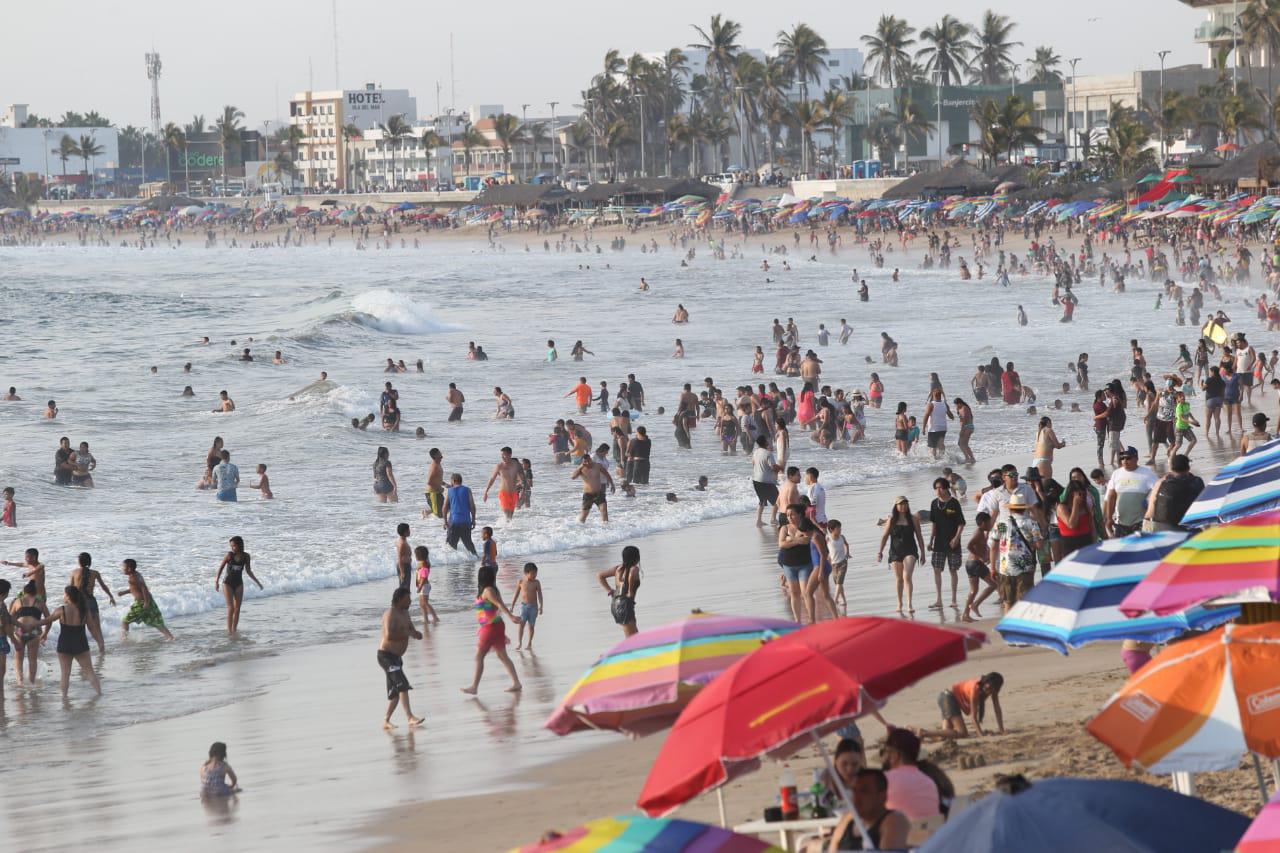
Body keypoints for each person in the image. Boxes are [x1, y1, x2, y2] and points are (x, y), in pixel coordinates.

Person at [461, 565, 523, 695]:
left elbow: (499, 605)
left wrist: (511, 616)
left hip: (491, 627)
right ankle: (516, 683)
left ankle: (474, 687)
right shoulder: (491, 589)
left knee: (479, 656)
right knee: (502, 656)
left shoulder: (488, 591)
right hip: (494, 625)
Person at [37, 586, 101, 697]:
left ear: (68, 596)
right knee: (90, 672)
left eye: (64, 594)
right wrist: (100, 641)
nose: (63, 596)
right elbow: (92, 628)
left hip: (64, 645)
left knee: (65, 675)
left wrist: (30, 623)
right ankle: (99, 694)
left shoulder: (62, 610)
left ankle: (64, 699)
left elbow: (47, 620)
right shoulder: (84, 611)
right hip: (81, 644)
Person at [826, 769, 910, 852]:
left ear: (882, 796)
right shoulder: (848, 819)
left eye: (864, 792)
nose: (857, 797)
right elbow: (832, 849)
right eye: (854, 791)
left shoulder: (894, 820)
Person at [378, 588, 425, 728]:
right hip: (386, 657)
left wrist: (416, 634)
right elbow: (388, 636)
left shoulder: (405, 613)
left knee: (395, 694)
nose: (410, 601)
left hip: (396, 658)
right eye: (407, 599)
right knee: (402, 685)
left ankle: (386, 721)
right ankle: (410, 717)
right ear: (399, 599)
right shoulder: (390, 614)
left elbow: (410, 629)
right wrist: (407, 634)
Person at [878, 496, 926, 616]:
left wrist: (923, 553)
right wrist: (880, 552)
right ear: (896, 506)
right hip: (895, 552)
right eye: (900, 504)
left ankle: (909, 604)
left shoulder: (914, 519)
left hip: (910, 550)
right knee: (899, 579)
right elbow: (884, 536)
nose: (903, 506)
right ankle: (900, 603)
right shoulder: (891, 520)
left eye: (905, 504)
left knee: (907, 576)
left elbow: (919, 537)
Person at [995, 493, 1042, 610]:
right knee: (1025, 601)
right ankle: (1023, 626)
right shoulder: (1032, 523)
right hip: (1025, 567)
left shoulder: (1001, 523)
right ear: (1024, 509)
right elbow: (1039, 545)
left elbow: (994, 543)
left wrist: (992, 566)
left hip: (1005, 568)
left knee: (1008, 602)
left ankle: (1007, 627)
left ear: (1010, 509)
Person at [882, 728, 940, 820]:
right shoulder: (929, 782)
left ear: (895, 755)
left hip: (902, 833)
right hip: (931, 832)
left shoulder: (885, 780)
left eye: (885, 753)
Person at [927, 673, 1005, 740]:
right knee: (962, 733)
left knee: (946, 735)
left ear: (996, 688)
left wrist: (1001, 729)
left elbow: (997, 709)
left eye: (991, 688)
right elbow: (973, 717)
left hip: (947, 698)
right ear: (985, 681)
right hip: (948, 698)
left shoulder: (992, 690)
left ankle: (921, 735)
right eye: (987, 684)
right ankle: (923, 732)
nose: (988, 687)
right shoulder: (975, 688)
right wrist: (981, 735)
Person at [928, 479, 965, 611]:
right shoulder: (934, 503)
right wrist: (931, 540)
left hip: (953, 542)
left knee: (953, 570)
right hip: (938, 542)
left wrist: (956, 538)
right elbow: (934, 523)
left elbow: (961, 523)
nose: (938, 491)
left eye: (940, 488)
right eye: (936, 488)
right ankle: (939, 600)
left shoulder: (954, 503)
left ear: (946, 488)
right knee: (936, 569)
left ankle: (954, 600)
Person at [1104, 447, 1158, 537]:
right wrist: (1108, 518)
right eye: (1122, 458)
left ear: (1136, 458)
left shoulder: (1147, 473)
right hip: (1120, 523)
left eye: (1128, 458)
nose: (1125, 461)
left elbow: (1159, 490)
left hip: (1141, 522)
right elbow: (1110, 497)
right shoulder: (1116, 474)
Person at [215, 536, 263, 635]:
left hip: (239, 583)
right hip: (227, 583)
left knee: (237, 609)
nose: (232, 548)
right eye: (231, 546)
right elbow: (221, 568)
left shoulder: (246, 556)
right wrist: (216, 582)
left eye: (234, 546)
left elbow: (248, 571)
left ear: (239, 545)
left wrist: (258, 582)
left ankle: (234, 630)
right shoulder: (229, 555)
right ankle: (229, 631)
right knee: (231, 607)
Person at [1144, 454, 1205, 532]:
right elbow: (1203, 505)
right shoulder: (1197, 482)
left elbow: (1150, 511)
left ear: (1171, 468)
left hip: (1165, 529)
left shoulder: (1161, 483)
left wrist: (1146, 529)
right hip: (1190, 527)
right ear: (1188, 468)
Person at [70, 551, 115, 655]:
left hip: (78, 602)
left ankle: (79, 649)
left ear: (79, 561)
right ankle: (101, 648)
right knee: (96, 628)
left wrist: (67, 602)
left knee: (79, 627)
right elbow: (103, 586)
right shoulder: (95, 573)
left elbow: (71, 589)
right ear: (89, 562)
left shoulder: (74, 572)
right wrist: (111, 596)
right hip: (91, 601)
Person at [117, 559, 174, 641]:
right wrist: (124, 592)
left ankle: (124, 640)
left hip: (141, 603)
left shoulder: (133, 578)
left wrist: (146, 602)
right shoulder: (136, 575)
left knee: (125, 621)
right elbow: (135, 589)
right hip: (148, 601)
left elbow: (144, 588)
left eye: (123, 567)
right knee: (156, 621)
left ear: (129, 569)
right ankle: (170, 637)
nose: (122, 569)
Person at [961, 512, 998, 622]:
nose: (989, 524)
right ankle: (975, 604)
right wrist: (981, 556)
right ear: (982, 523)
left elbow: (981, 545)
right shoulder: (978, 533)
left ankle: (965, 614)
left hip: (970, 564)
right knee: (993, 584)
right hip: (975, 564)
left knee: (974, 590)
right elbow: (969, 545)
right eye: (988, 523)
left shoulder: (982, 532)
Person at [598, 545, 642, 637]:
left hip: (616, 604)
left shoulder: (618, 568)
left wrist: (610, 591)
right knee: (633, 638)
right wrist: (630, 591)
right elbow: (632, 573)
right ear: (636, 557)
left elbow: (600, 575)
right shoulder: (634, 568)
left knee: (633, 636)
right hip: (625, 605)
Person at [10, 580, 46, 684]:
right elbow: (49, 619)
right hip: (34, 632)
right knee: (32, 659)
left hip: (20, 631)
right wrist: (45, 633)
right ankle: (31, 681)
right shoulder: (40, 602)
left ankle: (19, 681)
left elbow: (10, 617)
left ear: (24, 592)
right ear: (36, 592)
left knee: (18, 658)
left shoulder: (18, 601)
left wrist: (12, 632)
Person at [482, 446, 525, 521]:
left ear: (510, 455)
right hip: (503, 493)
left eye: (504, 455)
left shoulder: (517, 465)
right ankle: (504, 529)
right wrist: (486, 491)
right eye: (501, 455)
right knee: (507, 514)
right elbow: (492, 478)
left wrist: (522, 488)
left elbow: (522, 479)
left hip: (514, 493)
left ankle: (508, 531)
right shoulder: (499, 466)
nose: (502, 457)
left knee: (510, 516)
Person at [442, 473, 478, 556]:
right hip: (466, 522)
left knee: (451, 547)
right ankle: (476, 559)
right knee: (469, 545)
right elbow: (472, 506)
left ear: (453, 481)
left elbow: (444, 507)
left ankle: (452, 565)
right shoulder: (467, 490)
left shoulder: (449, 491)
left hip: (454, 522)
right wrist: (473, 520)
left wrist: (445, 521)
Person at [573, 454, 615, 523]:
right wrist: (580, 467)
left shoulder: (597, 466)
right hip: (588, 495)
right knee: (584, 516)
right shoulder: (581, 469)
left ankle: (606, 530)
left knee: (604, 512)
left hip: (599, 493)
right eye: (585, 462)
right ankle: (579, 530)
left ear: (591, 459)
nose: (588, 463)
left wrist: (612, 484)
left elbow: (607, 474)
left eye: (589, 460)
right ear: (582, 462)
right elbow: (573, 477)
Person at [511, 562, 544, 651]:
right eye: (532, 573)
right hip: (524, 607)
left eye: (536, 573)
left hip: (534, 607)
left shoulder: (536, 583)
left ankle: (529, 643)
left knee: (531, 626)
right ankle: (519, 643)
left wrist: (541, 606)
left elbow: (540, 594)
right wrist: (512, 605)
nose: (534, 575)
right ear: (526, 573)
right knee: (521, 625)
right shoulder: (521, 582)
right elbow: (516, 594)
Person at [1033, 416, 1065, 480]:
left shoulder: (1038, 433)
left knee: (1038, 485)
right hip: (1044, 462)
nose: (1051, 425)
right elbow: (1057, 446)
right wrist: (1063, 443)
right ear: (1048, 422)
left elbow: (1044, 446)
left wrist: (1052, 446)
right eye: (1051, 423)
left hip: (1035, 461)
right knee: (1046, 485)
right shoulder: (1048, 430)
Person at [827, 519, 850, 610]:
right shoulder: (828, 538)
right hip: (833, 564)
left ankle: (835, 601)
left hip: (843, 563)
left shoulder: (842, 537)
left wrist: (847, 553)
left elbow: (847, 545)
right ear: (831, 529)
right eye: (838, 528)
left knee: (839, 582)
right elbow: (824, 547)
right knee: (838, 584)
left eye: (840, 528)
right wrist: (827, 556)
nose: (840, 530)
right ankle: (843, 600)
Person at [413, 545, 439, 624]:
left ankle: (435, 617)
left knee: (425, 603)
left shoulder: (423, 564)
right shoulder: (421, 563)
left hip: (424, 586)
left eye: (416, 555)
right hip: (423, 586)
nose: (415, 556)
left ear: (419, 555)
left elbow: (424, 577)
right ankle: (426, 619)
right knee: (422, 604)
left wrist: (420, 586)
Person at [394, 523, 413, 591]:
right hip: (404, 566)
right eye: (408, 530)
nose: (409, 531)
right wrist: (402, 572)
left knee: (405, 586)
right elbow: (400, 558)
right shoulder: (402, 543)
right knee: (405, 587)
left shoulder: (403, 540)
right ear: (404, 532)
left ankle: (404, 600)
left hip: (406, 565)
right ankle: (403, 600)